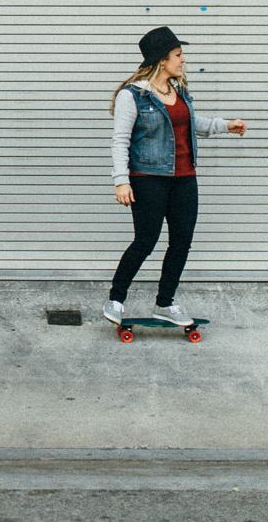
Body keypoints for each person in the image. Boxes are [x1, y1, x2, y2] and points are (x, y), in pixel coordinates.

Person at [104, 25, 246, 327]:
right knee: (145, 241)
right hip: (148, 178)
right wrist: (121, 180)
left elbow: (192, 122)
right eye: (178, 55)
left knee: (181, 242)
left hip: (184, 178)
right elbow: (120, 140)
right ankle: (116, 299)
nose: (183, 60)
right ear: (161, 60)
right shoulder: (134, 96)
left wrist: (226, 125)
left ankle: (165, 304)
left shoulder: (178, 90)